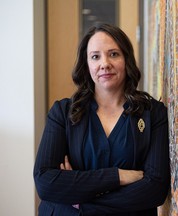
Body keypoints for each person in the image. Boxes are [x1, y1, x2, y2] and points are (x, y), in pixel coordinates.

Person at [33, 23, 170, 216]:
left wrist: (78, 200)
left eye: (113, 54)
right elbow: (45, 183)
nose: (104, 63)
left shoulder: (153, 113)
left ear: (126, 59)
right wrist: (118, 176)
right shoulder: (62, 113)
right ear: (86, 64)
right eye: (95, 56)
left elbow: (155, 189)